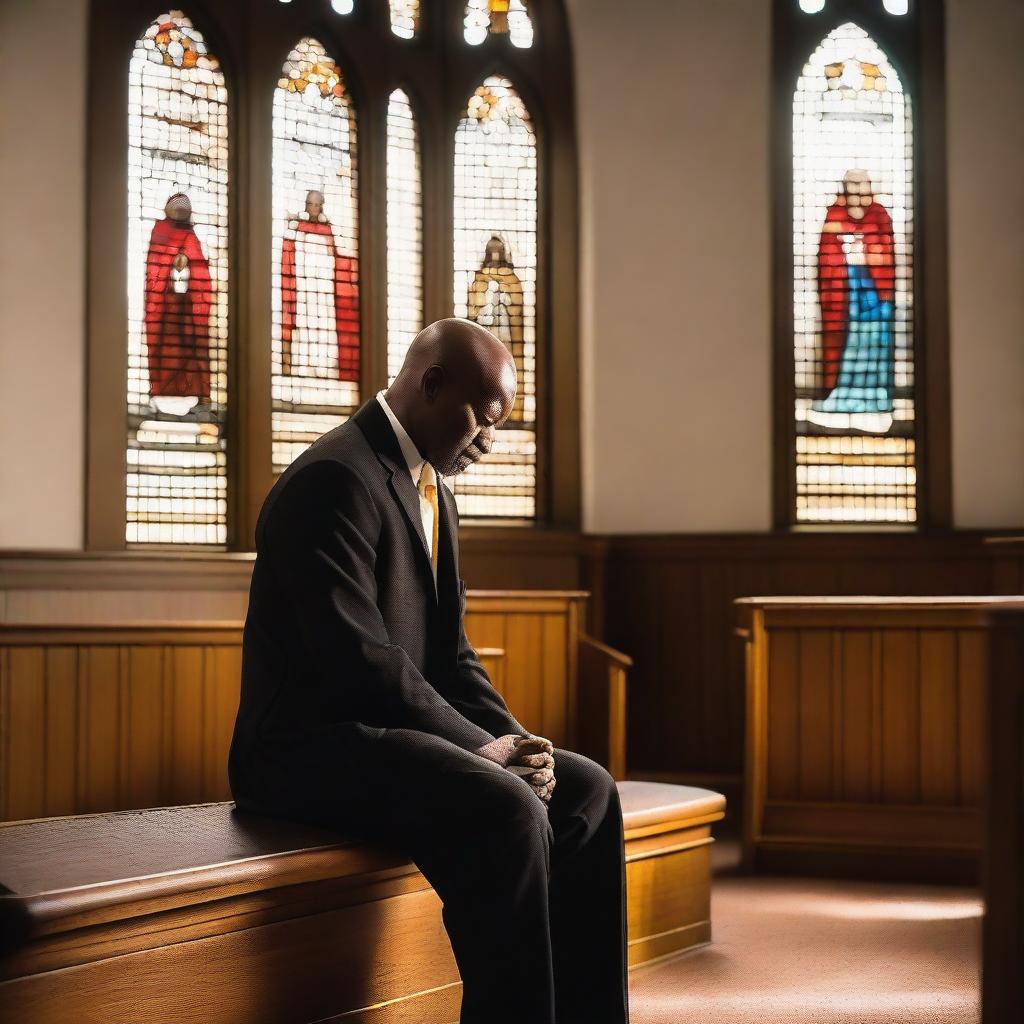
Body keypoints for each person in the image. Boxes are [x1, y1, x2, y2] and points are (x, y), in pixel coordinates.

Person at [228, 317, 630, 1024]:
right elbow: (360, 662)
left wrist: (519, 742)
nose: (489, 441)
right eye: (483, 419)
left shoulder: (429, 484)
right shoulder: (333, 479)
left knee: (586, 791)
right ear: (432, 384)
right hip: (307, 749)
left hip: (385, 735)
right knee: (502, 808)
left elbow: (452, 655)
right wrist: (483, 752)